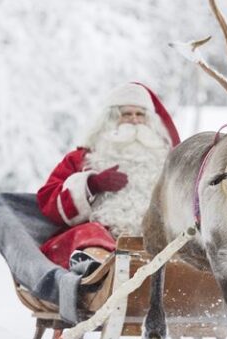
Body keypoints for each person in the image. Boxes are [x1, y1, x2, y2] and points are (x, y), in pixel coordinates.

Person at [36, 82, 180, 269]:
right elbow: (47, 201)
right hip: (99, 237)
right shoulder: (82, 158)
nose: (135, 120)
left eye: (140, 114)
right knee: (88, 235)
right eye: (127, 114)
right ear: (110, 119)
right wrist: (92, 185)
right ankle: (94, 268)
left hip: (155, 242)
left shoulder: (167, 162)